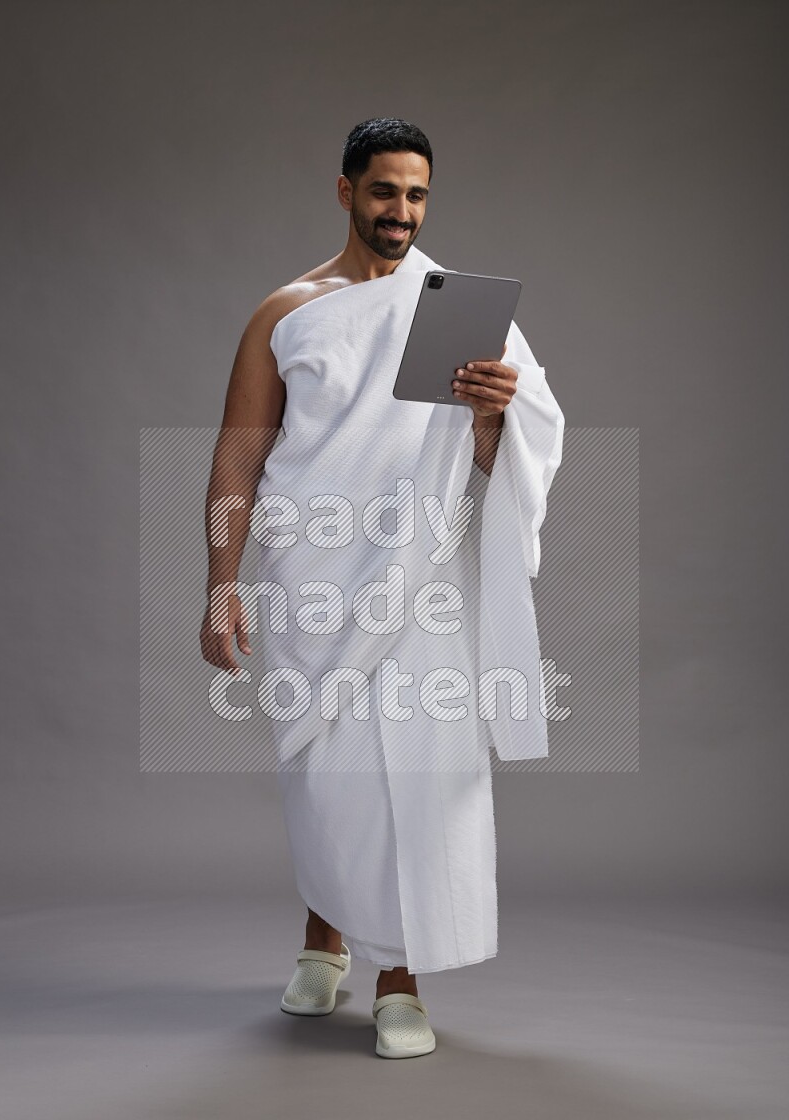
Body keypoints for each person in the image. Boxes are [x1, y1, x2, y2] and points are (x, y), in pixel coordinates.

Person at [199, 117, 564, 1058]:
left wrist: (496, 418)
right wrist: (220, 584)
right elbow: (240, 458)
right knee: (325, 776)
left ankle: (400, 977)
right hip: (311, 576)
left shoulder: (458, 308)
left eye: (417, 195)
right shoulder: (287, 313)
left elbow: (490, 463)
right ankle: (323, 939)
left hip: (418, 580)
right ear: (344, 190)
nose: (401, 212)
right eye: (383, 191)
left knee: (417, 771)